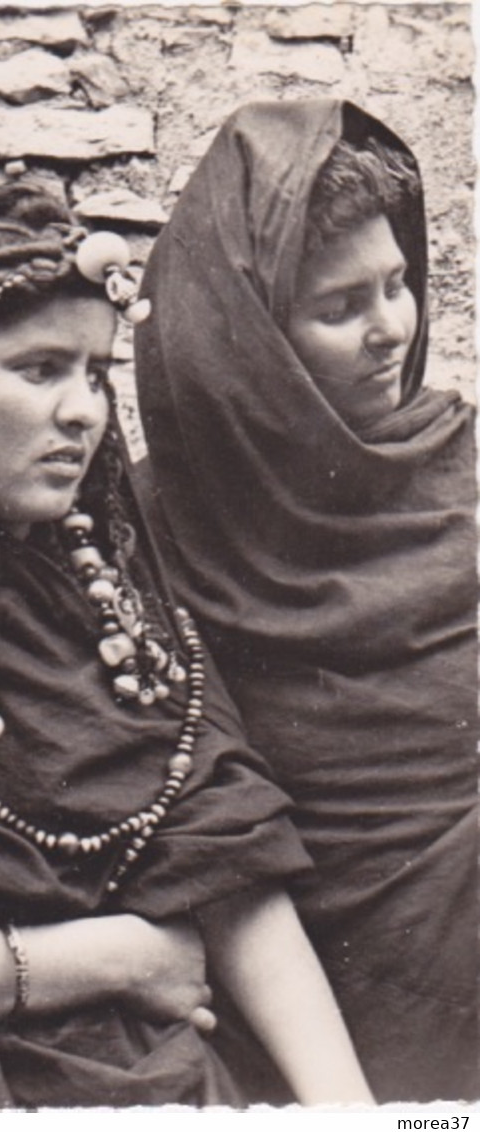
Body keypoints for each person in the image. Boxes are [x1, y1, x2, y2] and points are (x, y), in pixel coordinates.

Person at [0, 182, 374, 1111]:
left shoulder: (119, 610)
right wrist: (101, 959)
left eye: (96, 372)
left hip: (167, 1079)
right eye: (38, 369)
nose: (83, 412)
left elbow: (230, 866)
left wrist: (353, 1116)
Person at [134, 99, 478, 1103]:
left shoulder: (458, 462)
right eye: (340, 308)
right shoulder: (157, 528)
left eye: (399, 284)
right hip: (310, 1018)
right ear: (253, 347)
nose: (391, 331)